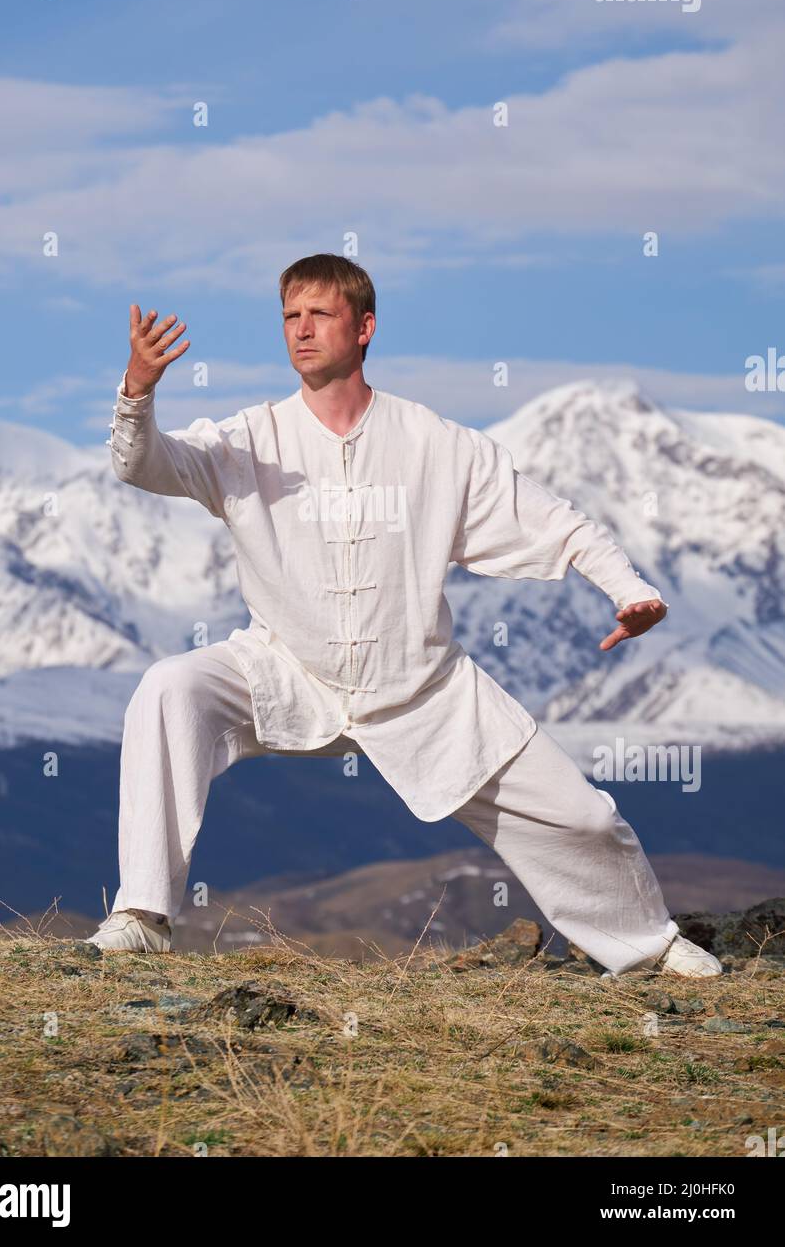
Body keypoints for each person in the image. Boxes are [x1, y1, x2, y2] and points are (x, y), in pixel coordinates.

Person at [88, 254, 720, 979]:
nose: (301, 330)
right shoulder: (247, 440)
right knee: (173, 687)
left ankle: (650, 943)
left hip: (423, 689)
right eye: (290, 316)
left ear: (365, 327)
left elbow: (557, 522)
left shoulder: (437, 446)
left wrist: (629, 589)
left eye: (319, 314)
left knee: (581, 817)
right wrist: (137, 390)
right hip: (285, 671)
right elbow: (144, 464)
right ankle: (142, 916)